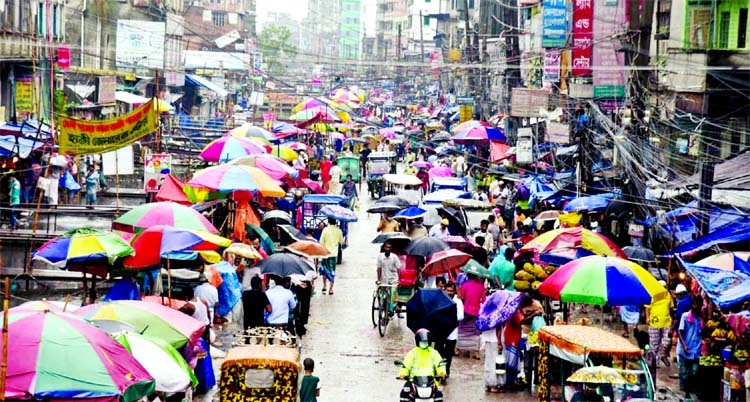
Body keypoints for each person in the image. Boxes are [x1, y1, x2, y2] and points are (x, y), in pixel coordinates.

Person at [398, 329, 446, 402]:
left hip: (431, 381)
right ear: (418, 341)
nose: (424, 343)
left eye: (426, 342)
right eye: (422, 342)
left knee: (439, 395)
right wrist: (403, 374)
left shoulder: (434, 353)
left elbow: (440, 364)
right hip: (413, 381)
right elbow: (406, 364)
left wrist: (442, 373)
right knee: (404, 394)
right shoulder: (413, 353)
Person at [434, 282, 462, 382]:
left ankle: (446, 372)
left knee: (448, 354)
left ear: (454, 291)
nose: (450, 292)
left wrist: (450, 318)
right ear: (444, 289)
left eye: (451, 291)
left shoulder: (457, 302)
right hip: (440, 331)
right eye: (448, 290)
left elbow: (460, 316)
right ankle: (437, 371)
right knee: (437, 353)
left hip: (452, 332)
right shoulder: (439, 300)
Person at [677, 299, 703, 397]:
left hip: (696, 350)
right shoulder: (685, 316)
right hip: (685, 350)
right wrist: (684, 346)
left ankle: (691, 392)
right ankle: (686, 393)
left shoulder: (701, 319)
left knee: (694, 372)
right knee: (684, 374)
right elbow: (680, 332)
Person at [457, 273, 485, 360]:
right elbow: (484, 300)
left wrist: (458, 289)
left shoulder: (465, 285)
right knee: (475, 331)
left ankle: (457, 348)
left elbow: (461, 297)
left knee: (462, 329)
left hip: (465, 311)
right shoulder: (481, 286)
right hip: (476, 312)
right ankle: (476, 352)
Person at [646, 280, 674, 367]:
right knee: (654, 344)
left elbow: (671, 308)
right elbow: (647, 308)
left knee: (667, 341)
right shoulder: (653, 295)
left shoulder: (668, 295)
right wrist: (647, 318)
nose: (664, 288)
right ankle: (653, 362)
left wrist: (672, 319)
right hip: (654, 322)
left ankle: (662, 355)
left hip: (666, 322)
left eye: (665, 287)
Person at [319, 217, 344, 295]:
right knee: (332, 271)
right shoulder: (339, 231)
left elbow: (321, 242)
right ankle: (331, 289)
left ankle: (324, 286)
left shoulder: (325, 230)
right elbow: (342, 242)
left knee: (325, 270)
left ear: (328, 221)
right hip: (333, 254)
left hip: (325, 253)